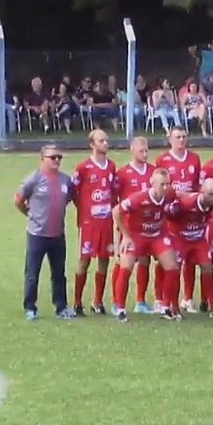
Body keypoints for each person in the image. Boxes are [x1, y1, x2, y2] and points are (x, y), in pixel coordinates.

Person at [14, 145, 76, 320]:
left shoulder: (65, 180)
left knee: (59, 273)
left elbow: (69, 198)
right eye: (52, 157)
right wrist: (29, 213)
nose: (57, 160)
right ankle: (30, 307)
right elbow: (19, 199)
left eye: (59, 157)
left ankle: (61, 307)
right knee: (33, 273)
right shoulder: (33, 180)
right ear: (42, 159)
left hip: (57, 234)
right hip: (37, 234)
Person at [112, 169, 180, 322]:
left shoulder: (170, 194)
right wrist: (126, 236)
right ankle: (120, 309)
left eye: (168, 184)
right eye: (162, 184)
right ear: (152, 184)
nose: (165, 187)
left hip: (157, 235)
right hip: (136, 236)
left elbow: (181, 197)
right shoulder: (139, 198)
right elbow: (116, 211)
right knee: (126, 267)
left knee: (172, 267)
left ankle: (165, 307)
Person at [155, 127, 201, 312]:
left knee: (190, 256)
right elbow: (159, 188)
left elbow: (197, 186)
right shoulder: (162, 160)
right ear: (170, 139)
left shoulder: (195, 158)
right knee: (166, 258)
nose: (181, 140)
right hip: (169, 214)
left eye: (184, 137)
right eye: (177, 137)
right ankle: (161, 299)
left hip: (189, 215)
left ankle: (188, 298)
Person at [71, 129, 117, 316]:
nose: (105, 143)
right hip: (89, 223)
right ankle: (77, 302)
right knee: (85, 260)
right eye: (101, 140)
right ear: (92, 145)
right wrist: (84, 209)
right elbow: (73, 192)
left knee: (104, 260)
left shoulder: (111, 166)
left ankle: (97, 301)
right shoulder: (83, 168)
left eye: (106, 140)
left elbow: (113, 194)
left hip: (106, 222)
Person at [168, 180, 213, 317]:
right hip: (180, 239)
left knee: (207, 267)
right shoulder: (186, 204)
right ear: (202, 192)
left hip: (199, 240)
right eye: (211, 194)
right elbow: (168, 216)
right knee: (175, 270)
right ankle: (174, 308)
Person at [112, 137, 154, 314]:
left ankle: (141, 301)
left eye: (146, 151)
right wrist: (117, 225)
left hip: (147, 225)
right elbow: (115, 200)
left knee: (145, 260)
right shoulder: (122, 173)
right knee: (123, 262)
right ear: (132, 150)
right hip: (128, 226)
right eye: (141, 151)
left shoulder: (153, 172)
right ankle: (116, 302)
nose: (144, 154)